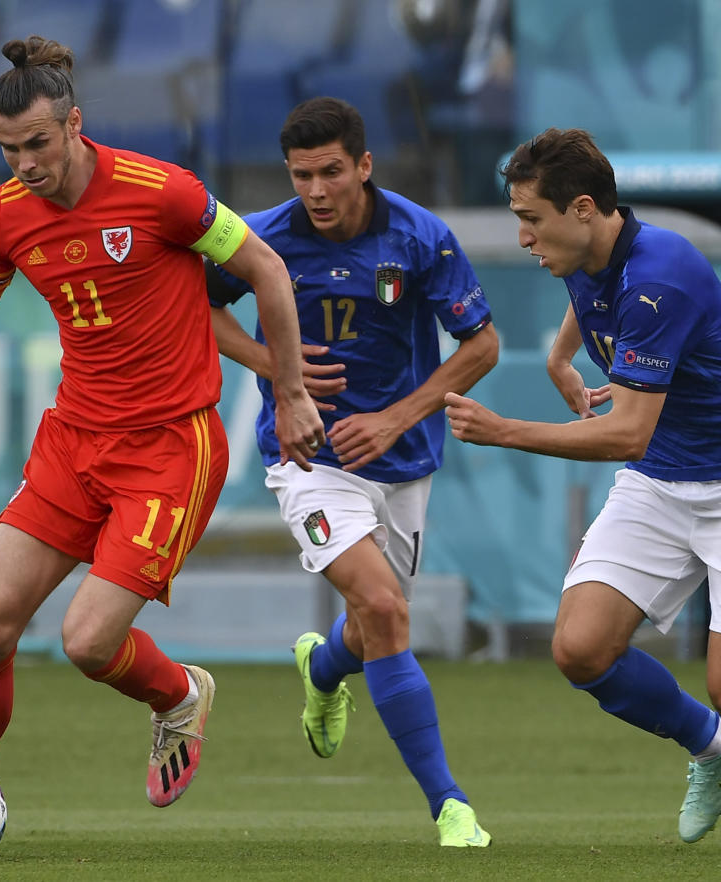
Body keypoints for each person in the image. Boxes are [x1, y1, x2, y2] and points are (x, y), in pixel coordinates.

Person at [0, 35, 325, 836]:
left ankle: (178, 695)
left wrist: (289, 390)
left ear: (75, 124)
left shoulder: (162, 192)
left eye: (38, 144)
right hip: (74, 440)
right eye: (8, 148)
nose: (24, 163)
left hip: (170, 448)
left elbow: (265, 267)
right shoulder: (6, 218)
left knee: (87, 643)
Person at [444, 127, 721, 856]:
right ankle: (708, 749)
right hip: (663, 482)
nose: (523, 236)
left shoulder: (661, 278)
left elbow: (625, 436)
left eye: (531, 218)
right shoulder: (587, 247)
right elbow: (588, 297)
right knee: (581, 649)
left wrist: (505, 430)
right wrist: (563, 354)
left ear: (584, 207)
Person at [206, 97, 499, 847]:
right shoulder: (261, 239)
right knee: (387, 608)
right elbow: (198, 309)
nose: (316, 191)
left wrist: (399, 415)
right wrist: (274, 366)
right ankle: (450, 806)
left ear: (364, 167)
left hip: (402, 458)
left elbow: (481, 345)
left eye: (331, 172)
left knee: (373, 626)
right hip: (309, 458)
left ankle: (325, 668)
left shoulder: (419, 237)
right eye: (302, 175)